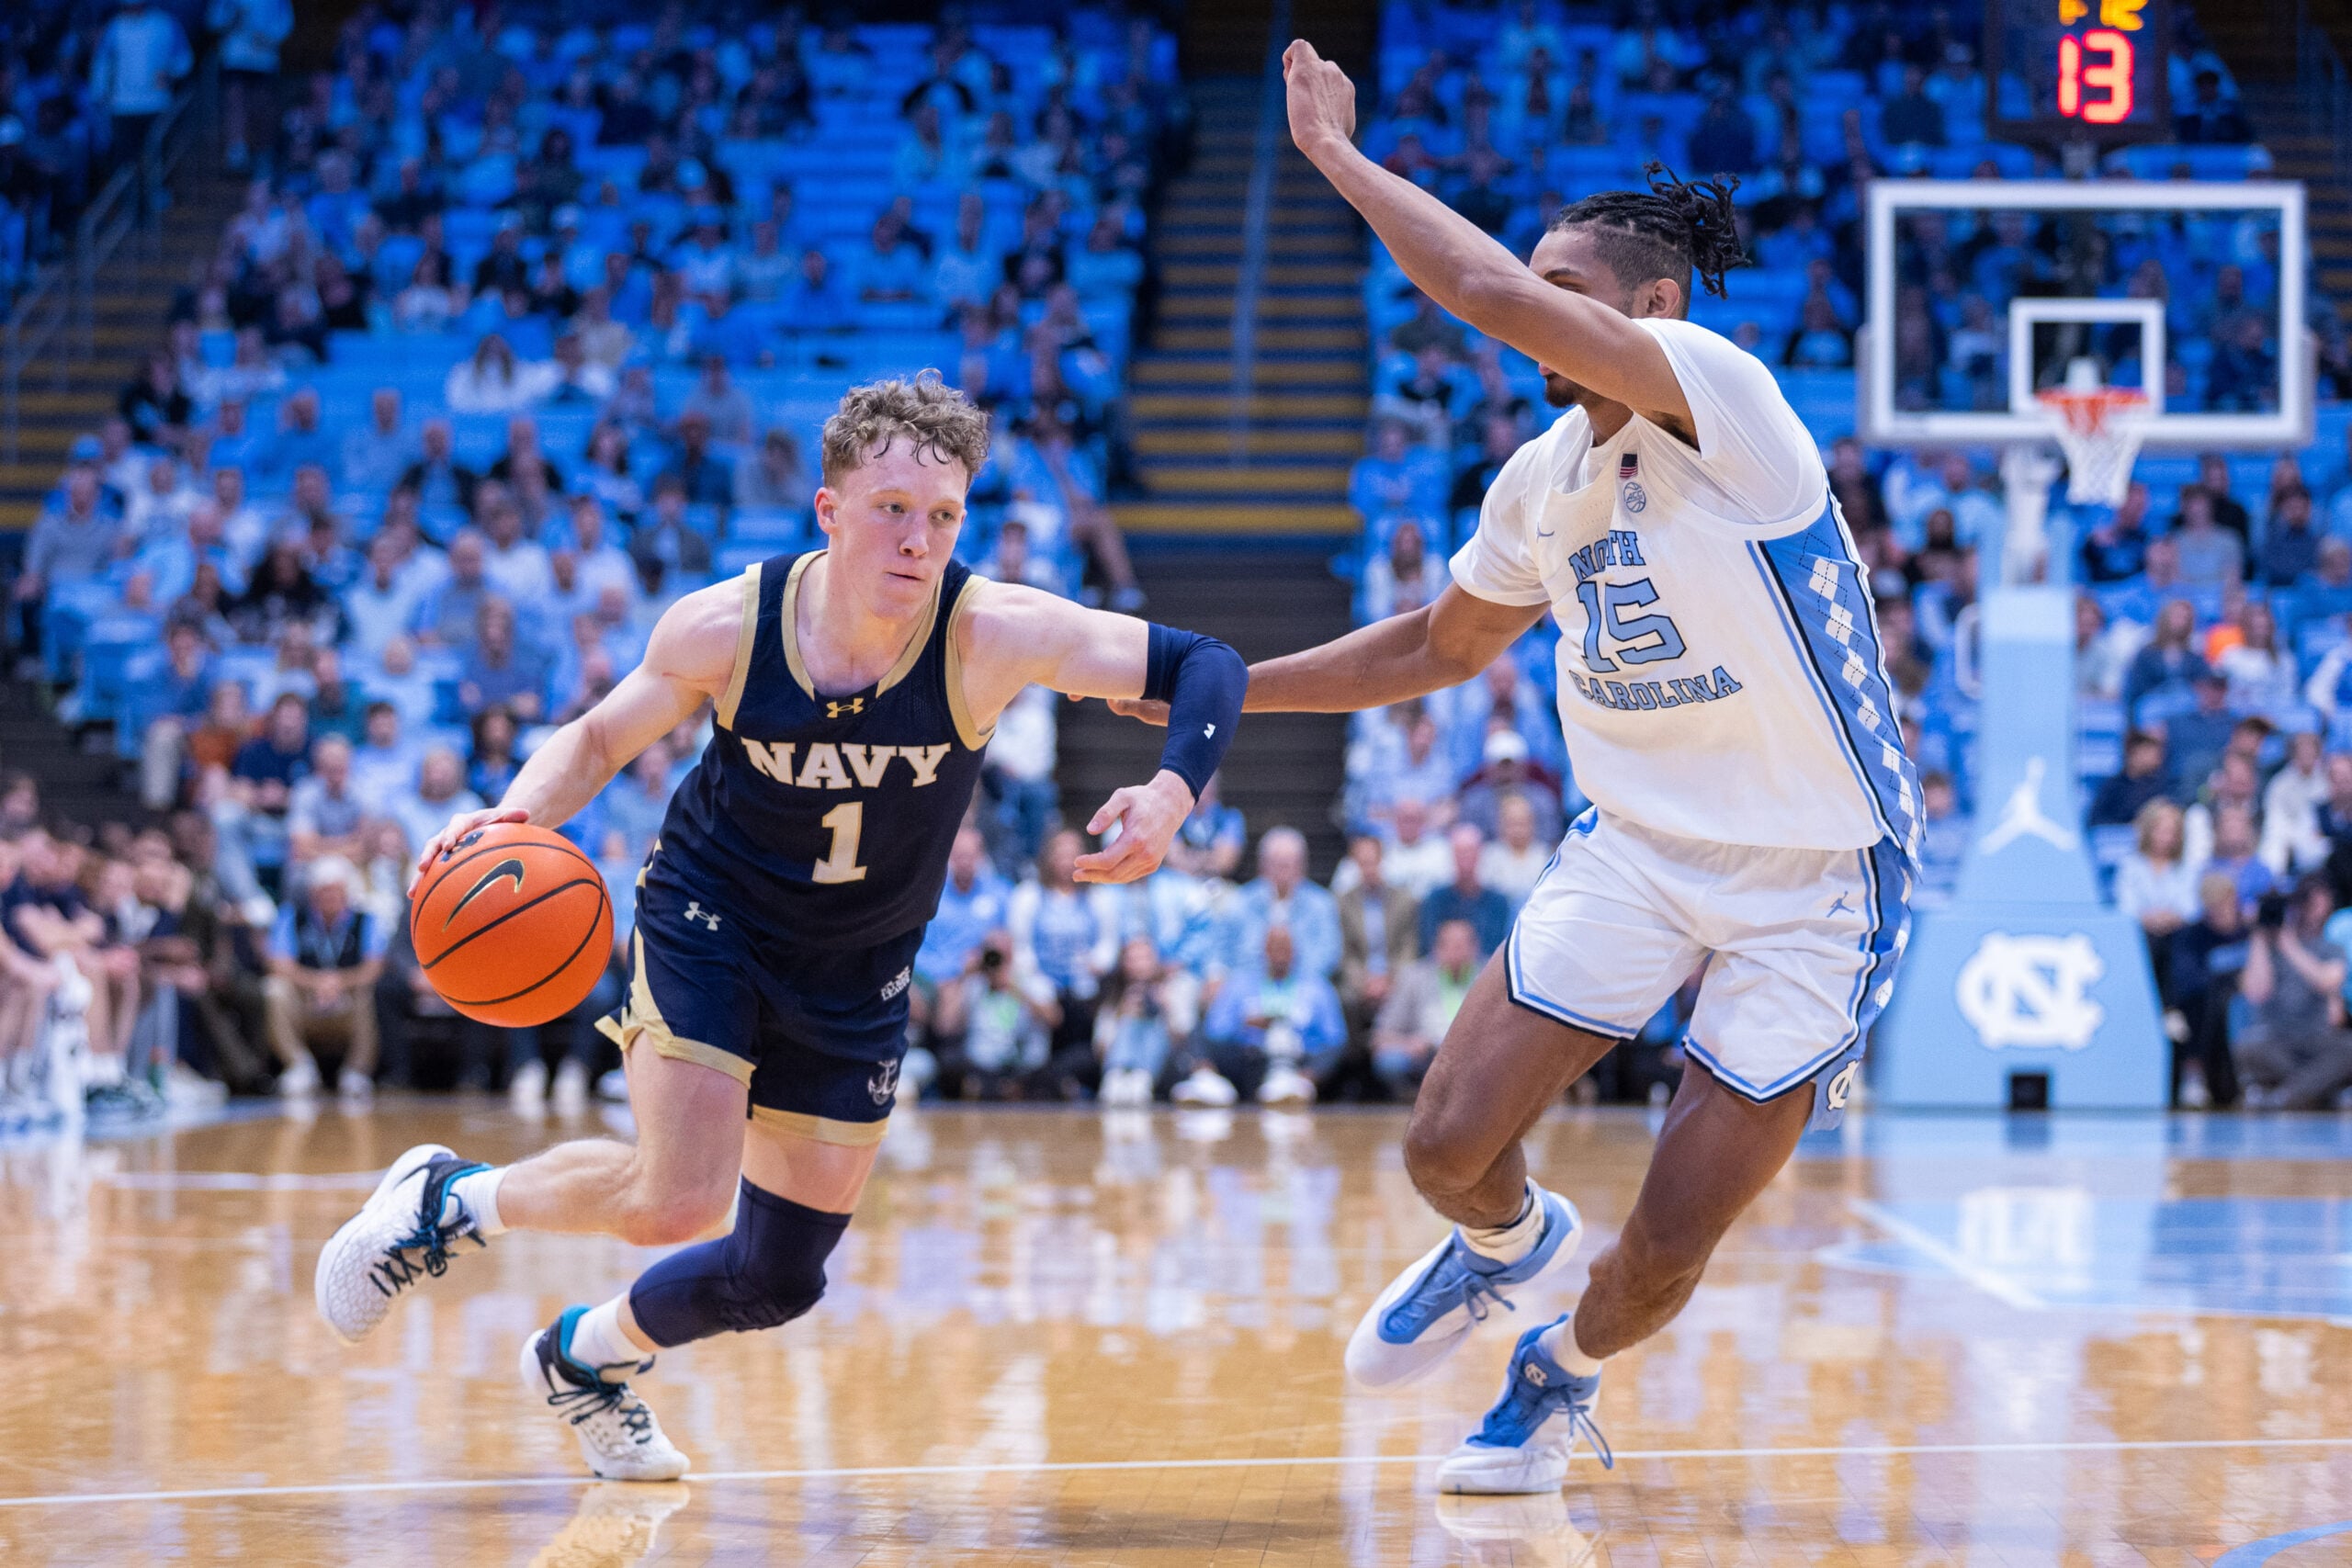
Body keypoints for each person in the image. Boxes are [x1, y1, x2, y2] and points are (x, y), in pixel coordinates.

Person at [1125, 46, 1919, 1496]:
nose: (1532, 309)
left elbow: (1486, 293)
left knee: (1674, 1236)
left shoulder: (1723, 398)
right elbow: (1435, 643)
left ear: (1654, 314)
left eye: (1568, 289)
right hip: (1638, 846)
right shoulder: (1541, 473)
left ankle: (1561, 1367)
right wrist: (1226, 692)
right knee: (1444, 1144)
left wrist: (1343, 165)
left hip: (1816, 879)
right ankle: (1506, 1246)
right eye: (1533, 279)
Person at [312, 375, 1246, 1481]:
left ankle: (583, 1359)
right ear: (829, 510)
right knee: (679, 1197)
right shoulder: (725, 624)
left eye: (943, 516)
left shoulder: (988, 631)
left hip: (859, 966)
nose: (918, 539)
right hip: (714, 915)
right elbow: (600, 737)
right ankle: (447, 1203)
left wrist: (1174, 792)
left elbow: (1207, 664)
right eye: (893, 508)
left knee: (775, 1277)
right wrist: (506, 820)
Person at [263, 857, 383, 1100]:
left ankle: (356, 1072)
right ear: (312, 893)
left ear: (347, 892)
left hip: (348, 1001)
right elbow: (278, 965)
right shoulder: (291, 916)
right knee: (274, 989)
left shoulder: (366, 919)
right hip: (305, 1000)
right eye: (323, 891)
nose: (329, 897)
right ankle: (298, 1067)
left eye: (335, 890)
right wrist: (318, 983)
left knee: (371, 991)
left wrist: (338, 983)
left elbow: (374, 968)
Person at [2238, 877, 2352, 1108]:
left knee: (2348, 1048)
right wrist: (2259, 936)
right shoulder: (2264, 948)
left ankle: (2285, 1096)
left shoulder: (2330, 948)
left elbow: (2327, 982)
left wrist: (2289, 946)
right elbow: (2255, 992)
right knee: (2246, 1047)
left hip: (2318, 1039)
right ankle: (2318, 1091)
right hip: (2276, 1040)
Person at [1374, 917, 1483, 1098]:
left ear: (1475, 948)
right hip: (1425, 1055)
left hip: (1474, 1056)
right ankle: (1415, 1099)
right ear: (1437, 948)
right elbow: (1382, 1036)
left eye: (1463, 945)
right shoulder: (1413, 977)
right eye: (1451, 945)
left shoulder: (1489, 978)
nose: (1458, 952)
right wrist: (1408, 1044)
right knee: (1389, 1061)